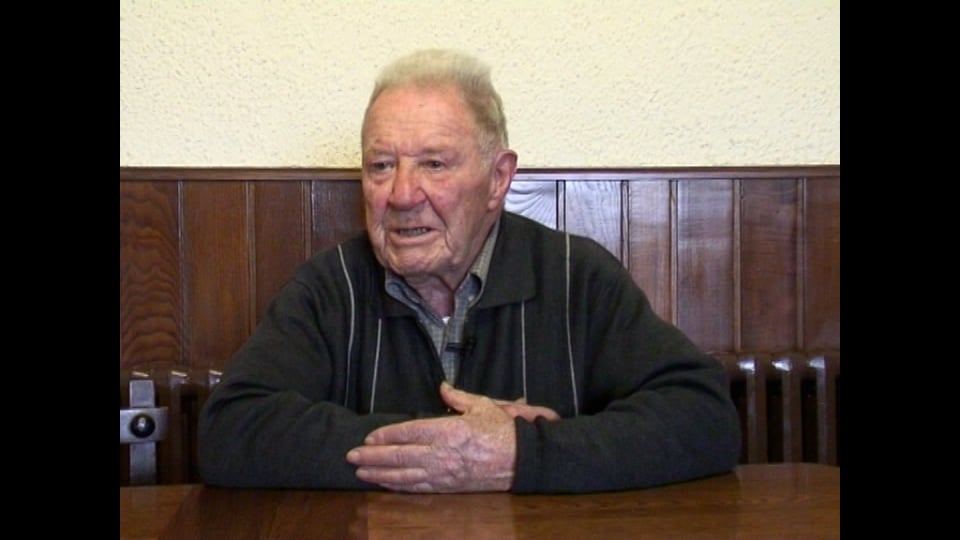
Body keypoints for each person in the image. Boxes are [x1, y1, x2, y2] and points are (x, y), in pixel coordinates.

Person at [198, 48, 741, 494]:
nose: (402, 194)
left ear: (498, 179)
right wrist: (445, 450)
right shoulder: (328, 288)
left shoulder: (576, 277)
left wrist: (520, 455)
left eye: (434, 164)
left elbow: (704, 417)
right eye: (381, 166)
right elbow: (230, 433)